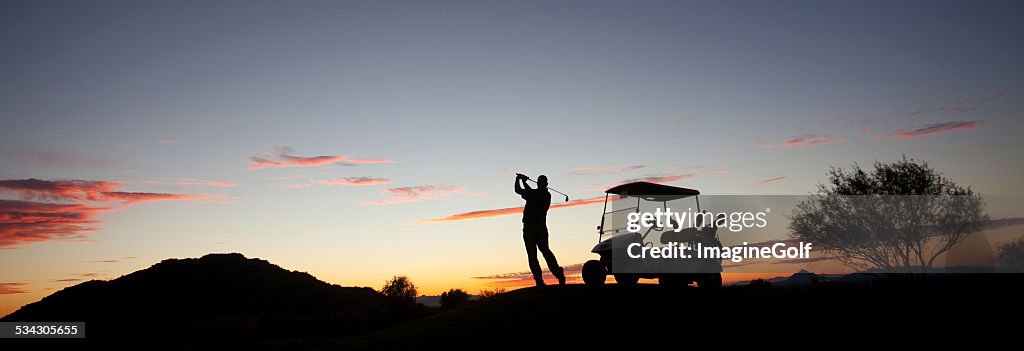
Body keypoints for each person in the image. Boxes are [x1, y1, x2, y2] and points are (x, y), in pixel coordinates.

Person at [515, 173, 565, 286]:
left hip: (533, 228)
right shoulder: (544, 194)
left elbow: (519, 190)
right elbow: (526, 192)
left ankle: (547, 277)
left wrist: (520, 180)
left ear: (542, 184)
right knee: (540, 253)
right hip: (538, 228)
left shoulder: (541, 194)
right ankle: (551, 276)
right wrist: (523, 181)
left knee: (537, 254)